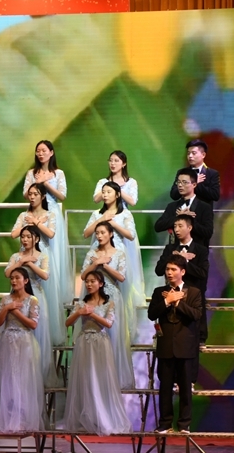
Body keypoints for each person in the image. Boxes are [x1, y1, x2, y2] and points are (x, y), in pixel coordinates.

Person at [64, 271, 131, 436]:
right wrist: (79, 313)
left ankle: (102, 417)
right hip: (84, 343)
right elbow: (68, 323)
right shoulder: (81, 304)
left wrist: (92, 314)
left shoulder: (109, 304)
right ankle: (87, 417)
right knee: (85, 378)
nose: (89, 284)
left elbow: (108, 323)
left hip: (101, 342)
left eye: (92, 281)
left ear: (100, 284)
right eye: (87, 281)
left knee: (100, 378)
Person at [84, 180, 145, 339]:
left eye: (108, 192)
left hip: (117, 256)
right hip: (98, 254)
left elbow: (131, 235)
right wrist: (101, 219)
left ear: (117, 195)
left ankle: (119, 334)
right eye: (103, 192)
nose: (105, 195)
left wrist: (113, 224)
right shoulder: (97, 213)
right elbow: (86, 233)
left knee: (119, 296)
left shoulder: (125, 214)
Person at [148, 255, 202, 434]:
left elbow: (196, 315)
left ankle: (184, 424)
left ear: (182, 272)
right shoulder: (159, 292)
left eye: (173, 269)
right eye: (167, 269)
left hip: (185, 346)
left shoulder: (193, 292)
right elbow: (152, 314)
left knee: (185, 388)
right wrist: (167, 301)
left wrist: (177, 302)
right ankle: (165, 424)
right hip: (165, 346)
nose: (169, 273)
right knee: (165, 388)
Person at [0, 267, 44, 432]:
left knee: (23, 379)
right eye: (12, 278)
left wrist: (16, 312)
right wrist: (7, 308)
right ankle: (8, 416)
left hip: (25, 342)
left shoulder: (32, 300)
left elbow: (33, 324)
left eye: (17, 278)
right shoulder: (6, 300)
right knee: (8, 378)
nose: (13, 281)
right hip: (8, 342)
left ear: (25, 280)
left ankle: (23, 418)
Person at [80, 222, 135, 389]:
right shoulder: (92, 253)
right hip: (94, 298)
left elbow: (122, 277)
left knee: (113, 337)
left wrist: (104, 265)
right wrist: (95, 263)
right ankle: (95, 379)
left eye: (102, 232)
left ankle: (112, 379)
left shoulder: (119, 253)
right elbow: (83, 275)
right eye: (97, 233)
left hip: (112, 297)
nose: (99, 236)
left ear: (111, 234)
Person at [6, 226, 59, 387]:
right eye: (23, 236)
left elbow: (45, 275)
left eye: (28, 236)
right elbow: (8, 273)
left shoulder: (42, 256)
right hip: (17, 296)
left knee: (37, 335)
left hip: (36, 296)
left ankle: (36, 375)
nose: (25, 239)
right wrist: (20, 262)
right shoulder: (16, 256)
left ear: (36, 238)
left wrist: (29, 263)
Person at [12, 184, 63, 346]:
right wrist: (26, 225)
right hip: (25, 255)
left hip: (42, 255)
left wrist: (36, 223)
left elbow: (51, 234)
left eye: (36, 194)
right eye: (30, 194)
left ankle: (43, 336)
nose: (32, 197)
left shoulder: (50, 214)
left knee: (44, 295)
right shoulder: (23, 215)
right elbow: (14, 234)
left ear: (43, 196)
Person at [23, 140, 72, 302]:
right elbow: (26, 194)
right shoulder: (31, 173)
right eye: (38, 151)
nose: (41, 153)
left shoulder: (58, 173)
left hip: (52, 213)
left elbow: (62, 195)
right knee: (33, 246)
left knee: (52, 250)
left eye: (44, 150)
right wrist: (37, 184)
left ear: (51, 153)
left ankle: (54, 294)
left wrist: (45, 184)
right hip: (35, 212)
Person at [155, 214, 209, 344]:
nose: (176, 230)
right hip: (171, 299)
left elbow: (202, 273)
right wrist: (177, 257)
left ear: (190, 228)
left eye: (180, 226)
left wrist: (185, 261)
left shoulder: (201, 250)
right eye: (175, 226)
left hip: (191, 299)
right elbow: (158, 270)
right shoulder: (170, 249)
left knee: (192, 341)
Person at [155, 168, 214, 247]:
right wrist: (178, 217)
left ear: (194, 184)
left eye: (184, 182)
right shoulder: (172, 206)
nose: (180, 185)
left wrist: (190, 220)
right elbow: (158, 226)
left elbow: (208, 233)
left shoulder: (204, 207)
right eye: (178, 182)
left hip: (197, 252)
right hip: (175, 251)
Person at [170, 139, 220, 205]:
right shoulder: (181, 173)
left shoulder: (212, 173)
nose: (190, 156)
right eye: (188, 153)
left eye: (193, 153)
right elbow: (174, 195)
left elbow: (215, 196)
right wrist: (191, 183)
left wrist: (196, 184)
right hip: (185, 211)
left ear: (203, 155)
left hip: (204, 211)